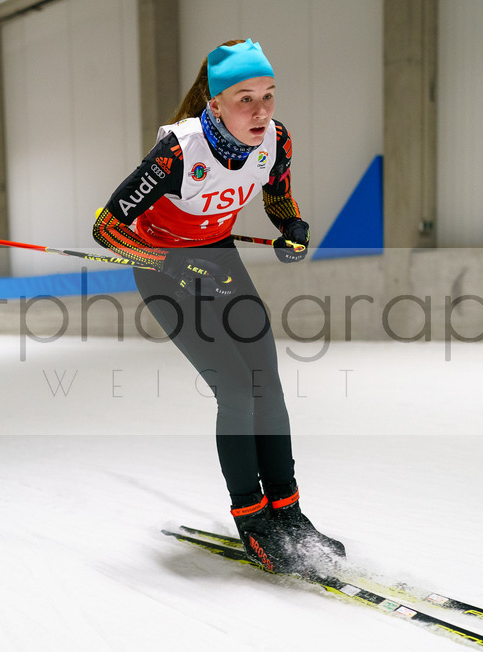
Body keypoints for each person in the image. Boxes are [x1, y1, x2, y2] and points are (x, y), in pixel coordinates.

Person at [93, 39, 343, 573]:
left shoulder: (275, 140)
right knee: (234, 386)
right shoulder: (179, 153)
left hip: (219, 262)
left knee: (266, 380)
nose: (261, 110)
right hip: (165, 272)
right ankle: (252, 519)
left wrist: (292, 227)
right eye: (245, 98)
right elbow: (107, 227)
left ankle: (289, 511)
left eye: (269, 96)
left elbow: (278, 197)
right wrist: (164, 261)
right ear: (216, 104)